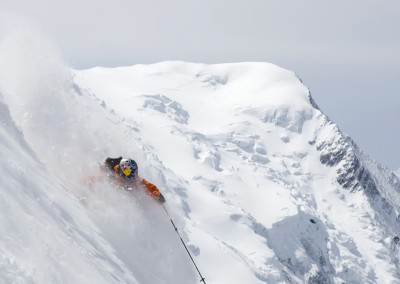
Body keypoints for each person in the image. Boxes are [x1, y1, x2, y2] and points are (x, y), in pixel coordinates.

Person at [87, 157, 165, 203]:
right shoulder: (109, 176)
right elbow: (91, 180)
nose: (132, 177)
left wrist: (156, 194)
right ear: (121, 172)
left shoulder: (133, 179)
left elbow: (147, 185)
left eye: (134, 173)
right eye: (129, 174)